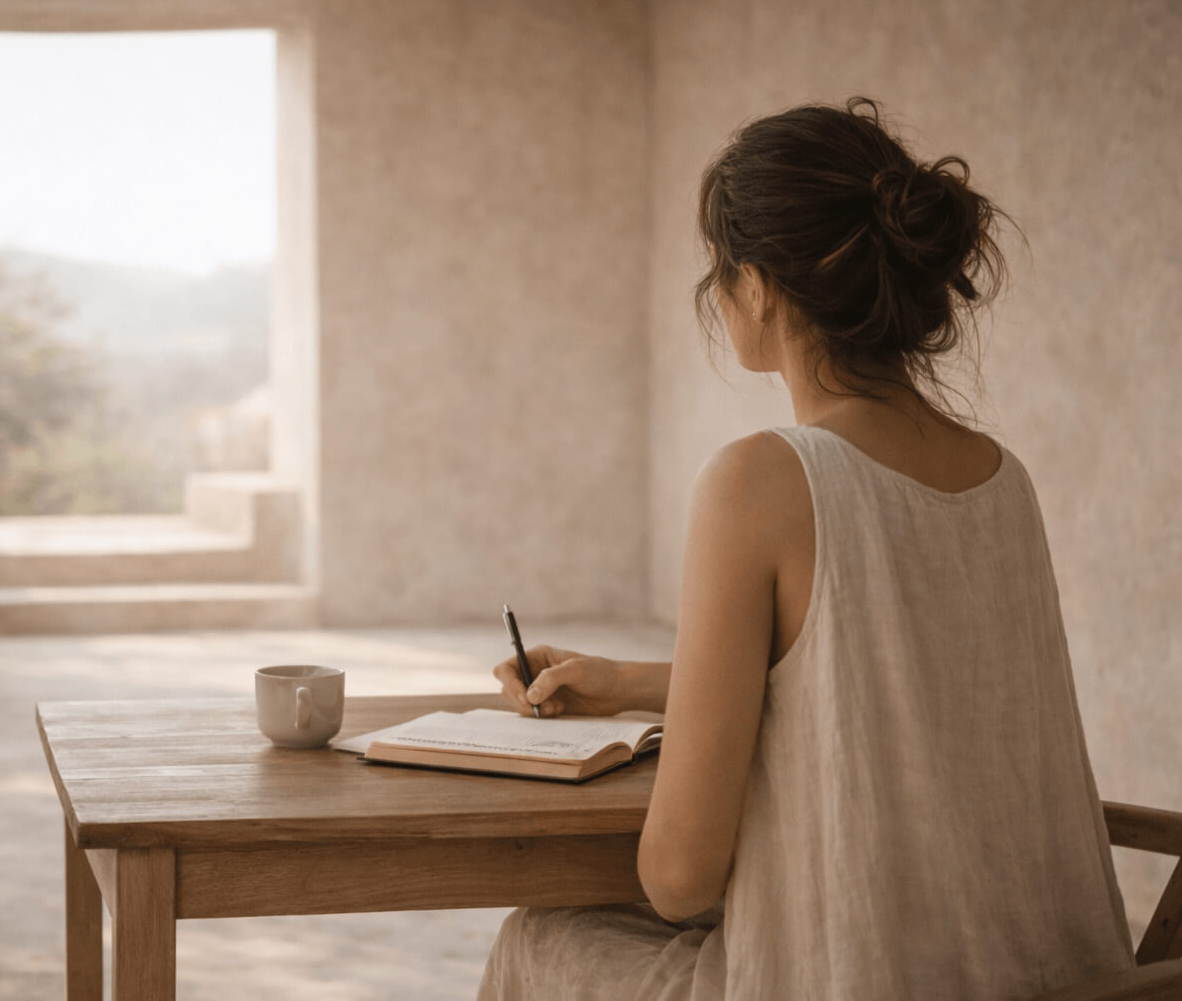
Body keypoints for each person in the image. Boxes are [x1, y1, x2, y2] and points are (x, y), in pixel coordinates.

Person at [480, 98, 1135, 1000]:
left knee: (539, 939)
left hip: (851, 979)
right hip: (1048, 981)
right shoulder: (1001, 478)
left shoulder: (763, 480)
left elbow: (679, 880)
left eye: (720, 270)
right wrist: (633, 680)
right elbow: (878, 669)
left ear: (757, 284)